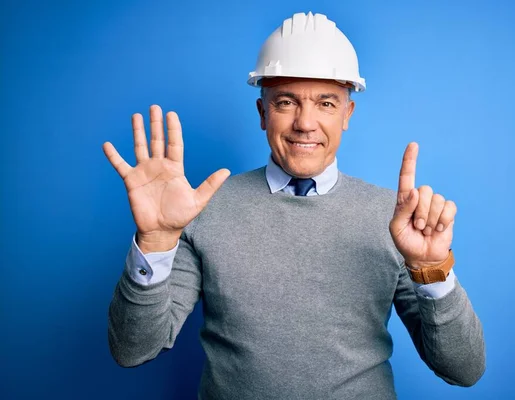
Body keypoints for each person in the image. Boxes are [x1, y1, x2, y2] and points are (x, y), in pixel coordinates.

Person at [104, 12, 485, 400]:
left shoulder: (396, 221)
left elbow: (464, 369)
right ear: (262, 113)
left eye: (326, 103)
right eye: (286, 102)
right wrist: (155, 241)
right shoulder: (202, 210)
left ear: (347, 114)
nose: (306, 123)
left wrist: (431, 271)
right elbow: (133, 350)